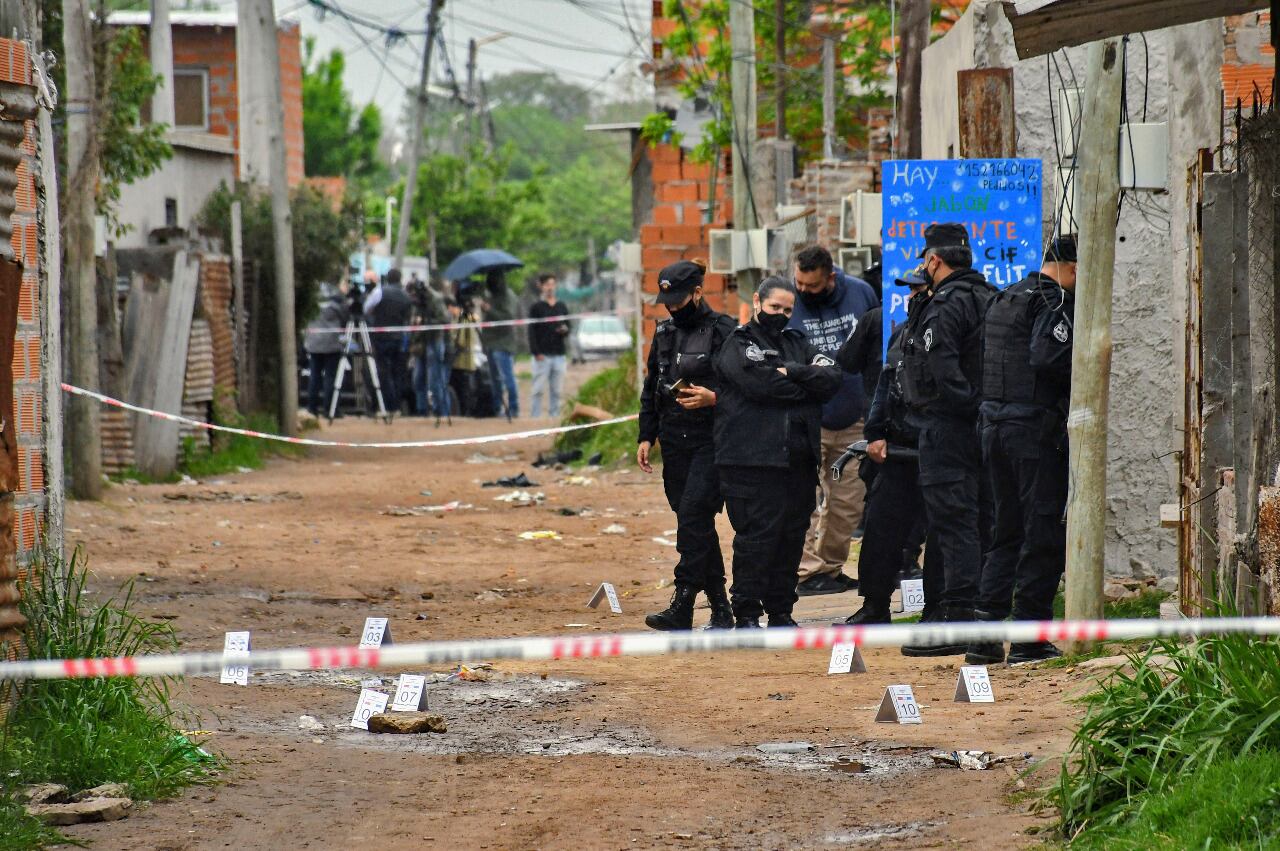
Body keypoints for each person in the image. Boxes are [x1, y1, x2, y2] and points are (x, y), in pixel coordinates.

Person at [966, 236, 1077, 666]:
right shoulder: (1053, 301)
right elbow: (1048, 358)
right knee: (1043, 531)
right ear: (1071, 267)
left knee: (1005, 531)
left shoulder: (1006, 296)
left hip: (993, 427)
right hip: (1032, 432)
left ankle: (985, 636)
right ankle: (1030, 637)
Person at [714, 276, 842, 628]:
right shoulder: (738, 345)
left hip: (798, 462)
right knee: (757, 540)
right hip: (752, 462)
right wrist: (805, 386)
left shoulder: (797, 343)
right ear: (757, 301)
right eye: (774, 308)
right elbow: (762, 387)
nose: (781, 315)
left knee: (790, 540)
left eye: (787, 310)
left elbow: (832, 378)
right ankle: (747, 613)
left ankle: (781, 611)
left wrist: (795, 372)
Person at [898, 223, 998, 657]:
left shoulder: (945, 306)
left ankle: (959, 618)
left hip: (951, 426)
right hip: (987, 426)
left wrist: (965, 406)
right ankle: (959, 610)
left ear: (934, 260)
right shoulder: (992, 297)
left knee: (954, 523)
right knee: (978, 521)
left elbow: (942, 369)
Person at [836, 271, 943, 625]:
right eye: (909, 290)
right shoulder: (902, 333)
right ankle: (874, 605)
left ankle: (938, 609)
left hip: (938, 448)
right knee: (881, 529)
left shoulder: (946, 327)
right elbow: (885, 385)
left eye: (917, 289)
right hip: (897, 450)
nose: (911, 296)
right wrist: (875, 433)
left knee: (941, 533)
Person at [637, 260, 738, 631]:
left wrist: (714, 398)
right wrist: (646, 435)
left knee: (694, 513)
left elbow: (746, 386)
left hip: (712, 440)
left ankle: (683, 599)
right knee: (692, 521)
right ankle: (721, 607)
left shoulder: (724, 330)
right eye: (667, 301)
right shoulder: (664, 333)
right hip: (674, 442)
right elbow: (652, 388)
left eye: (679, 300)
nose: (673, 308)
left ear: (698, 292)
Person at [789, 245, 879, 597]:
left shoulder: (860, 292)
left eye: (811, 286)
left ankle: (829, 567)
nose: (803, 291)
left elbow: (874, 344)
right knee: (802, 500)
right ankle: (805, 570)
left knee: (847, 502)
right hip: (807, 417)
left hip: (853, 416)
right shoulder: (789, 299)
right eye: (798, 282)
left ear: (830, 277)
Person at [365, 268, 413, 416]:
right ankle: (396, 407)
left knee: (383, 372)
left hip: (381, 338)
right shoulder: (406, 296)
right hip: (399, 339)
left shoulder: (380, 292)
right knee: (397, 373)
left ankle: (387, 406)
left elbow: (366, 308)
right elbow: (408, 317)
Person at [409, 275, 453, 423]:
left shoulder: (435, 299)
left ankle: (441, 410)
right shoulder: (417, 303)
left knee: (435, 379)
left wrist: (427, 321)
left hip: (435, 340)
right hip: (421, 341)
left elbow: (445, 319)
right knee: (418, 379)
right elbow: (413, 318)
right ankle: (422, 411)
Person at [303, 282, 348, 417]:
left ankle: (312, 408)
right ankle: (330, 409)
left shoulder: (311, 305)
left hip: (313, 343)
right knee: (330, 377)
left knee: (314, 376)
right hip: (332, 344)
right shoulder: (336, 307)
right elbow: (345, 319)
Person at [528, 274, 570, 417]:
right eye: (547, 285)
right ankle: (535, 417)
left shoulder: (561, 306)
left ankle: (554, 417)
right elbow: (531, 331)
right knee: (538, 389)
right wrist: (536, 352)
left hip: (559, 354)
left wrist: (564, 330)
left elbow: (568, 326)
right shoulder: (536, 307)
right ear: (541, 286)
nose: (550, 288)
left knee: (557, 391)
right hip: (542, 355)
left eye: (552, 284)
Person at [481, 269, 519, 418]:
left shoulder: (508, 296)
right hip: (490, 341)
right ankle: (497, 407)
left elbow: (507, 318)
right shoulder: (491, 295)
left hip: (503, 343)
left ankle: (514, 408)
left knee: (507, 378)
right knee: (494, 379)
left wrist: (490, 310)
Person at [451, 295, 482, 416]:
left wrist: (453, 341)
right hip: (462, 360)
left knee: (463, 388)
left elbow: (462, 341)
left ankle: (465, 411)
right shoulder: (463, 318)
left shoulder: (463, 319)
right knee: (463, 388)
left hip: (462, 360)